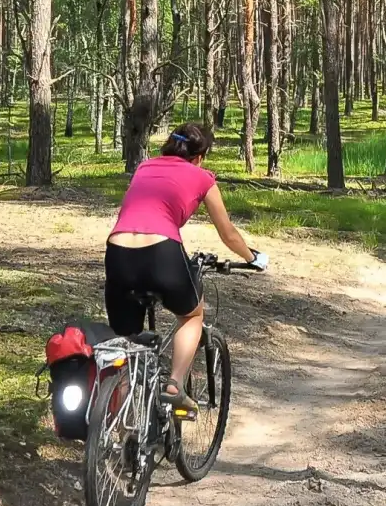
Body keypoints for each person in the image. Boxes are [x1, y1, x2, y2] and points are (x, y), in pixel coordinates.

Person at [104, 122, 268, 415]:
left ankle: (116, 431)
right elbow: (228, 233)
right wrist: (252, 257)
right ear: (200, 155)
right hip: (160, 250)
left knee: (126, 343)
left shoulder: (145, 167)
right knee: (192, 315)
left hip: (117, 252)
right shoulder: (202, 177)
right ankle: (174, 386)